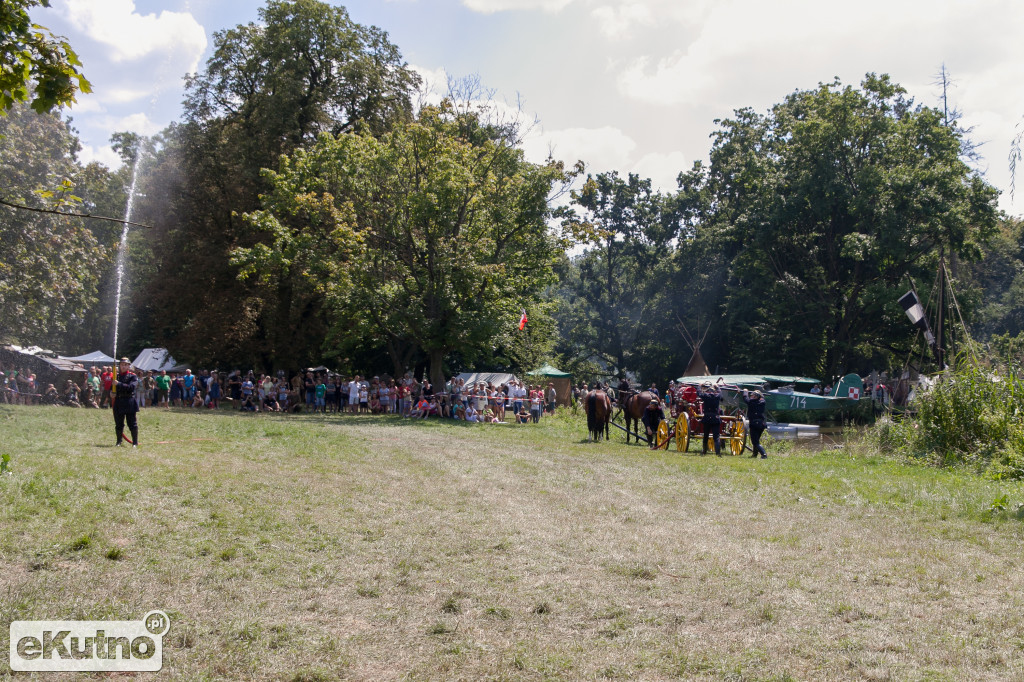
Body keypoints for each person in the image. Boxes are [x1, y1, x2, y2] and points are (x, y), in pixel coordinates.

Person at [112, 358, 140, 447]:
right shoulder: (116, 376)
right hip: (119, 401)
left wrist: (118, 384)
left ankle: (135, 442)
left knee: (132, 423)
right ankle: (118, 441)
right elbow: (111, 388)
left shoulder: (133, 376)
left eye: (125, 365)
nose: (123, 366)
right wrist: (111, 392)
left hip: (129, 401)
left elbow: (131, 387)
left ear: (128, 366)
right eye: (122, 364)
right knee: (119, 423)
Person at [698, 382, 722, 456]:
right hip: (715, 418)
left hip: (707, 418)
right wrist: (717, 387)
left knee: (706, 435)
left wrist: (699, 386)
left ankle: (704, 451)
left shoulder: (705, 396)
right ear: (714, 392)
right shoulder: (717, 396)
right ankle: (718, 453)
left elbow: (698, 393)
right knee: (716, 437)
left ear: (708, 391)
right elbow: (720, 393)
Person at [742, 388, 768, 458]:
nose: (751, 397)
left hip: (754, 424)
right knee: (756, 440)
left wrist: (745, 392)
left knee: (755, 441)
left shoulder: (752, 402)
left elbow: (746, 399)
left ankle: (764, 454)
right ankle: (754, 454)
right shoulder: (762, 401)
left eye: (752, 395)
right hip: (761, 424)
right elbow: (761, 397)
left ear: (756, 397)